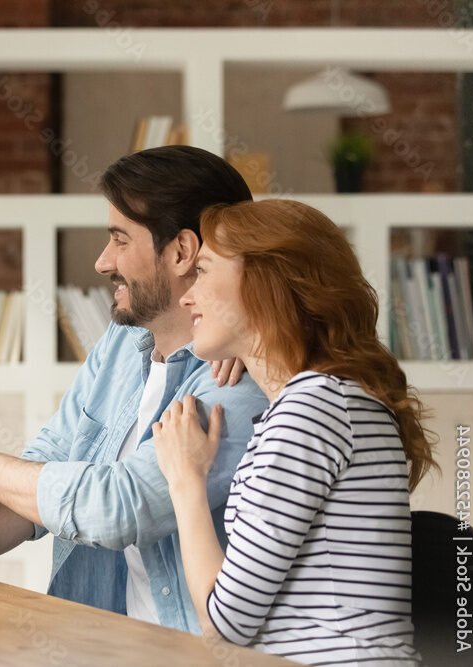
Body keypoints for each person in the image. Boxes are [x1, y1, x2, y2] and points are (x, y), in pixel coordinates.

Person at [0, 146, 270, 634]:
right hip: (96, 640)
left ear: (181, 252)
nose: (102, 261)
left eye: (119, 239)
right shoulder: (122, 343)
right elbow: (48, 463)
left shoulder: (239, 376)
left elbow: (120, 507)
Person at [153, 199, 433, 664]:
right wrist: (246, 340)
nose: (186, 296)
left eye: (202, 271)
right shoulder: (323, 399)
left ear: (265, 281)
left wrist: (184, 479)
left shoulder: (312, 408)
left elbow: (225, 623)